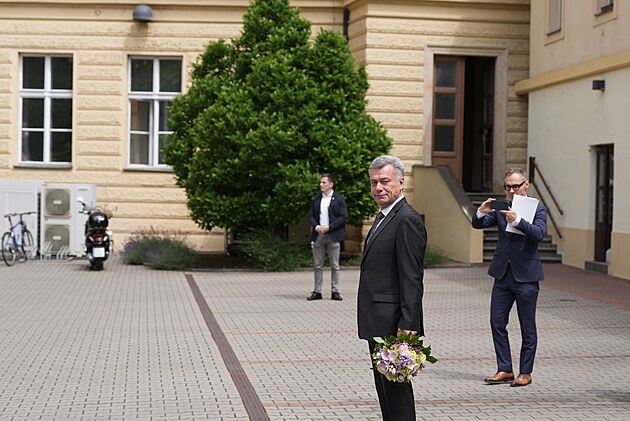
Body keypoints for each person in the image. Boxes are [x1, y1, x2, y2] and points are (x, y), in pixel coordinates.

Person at [357, 155, 427, 420]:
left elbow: (411, 276)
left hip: (394, 323)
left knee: (397, 394)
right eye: (374, 182)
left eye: (385, 181)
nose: (378, 188)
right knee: (385, 390)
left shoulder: (407, 219)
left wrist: (408, 322)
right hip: (378, 320)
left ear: (401, 182)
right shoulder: (383, 216)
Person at [472, 167, 547, 387]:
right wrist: (481, 211)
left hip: (526, 276)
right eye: (508, 187)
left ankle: (525, 372)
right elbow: (478, 224)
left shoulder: (537, 208)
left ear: (526, 184)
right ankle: (505, 368)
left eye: (516, 186)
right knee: (497, 321)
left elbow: (539, 233)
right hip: (502, 274)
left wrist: (518, 221)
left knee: (527, 327)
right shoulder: (502, 207)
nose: (512, 190)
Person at [307, 173, 348, 301]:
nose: (321, 184)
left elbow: (343, 217)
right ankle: (317, 291)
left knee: (335, 265)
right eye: (320, 182)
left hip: (333, 235)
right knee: (317, 265)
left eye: (324, 182)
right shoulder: (316, 199)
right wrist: (316, 226)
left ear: (331, 184)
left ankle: (335, 291)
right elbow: (311, 216)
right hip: (319, 235)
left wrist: (330, 227)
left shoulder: (339, 199)